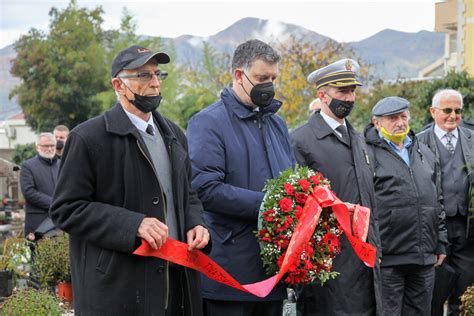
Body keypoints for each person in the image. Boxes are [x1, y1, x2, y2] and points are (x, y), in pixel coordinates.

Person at [50, 45, 210, 315]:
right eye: (143, 76)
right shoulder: (88, 138)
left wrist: (196, 222)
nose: (155, 83)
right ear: (118, 85)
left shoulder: (174, 134)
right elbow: (66, 209)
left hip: (176, 284)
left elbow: (187, 193)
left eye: (158, 74)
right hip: (119, 290)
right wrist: (132, 224)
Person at [187, 39, 296, 316]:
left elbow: (291, 182)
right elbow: (205, 188)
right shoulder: (208, 122)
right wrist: (271, 204)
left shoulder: (277, 123)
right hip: (230, 272)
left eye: (273, 78)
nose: (268, 85)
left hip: (272, 269)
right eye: (261, 78)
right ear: (239, 75)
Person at [290, 58, 382, 315]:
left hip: (366, 260)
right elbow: (299, 208)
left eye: (352, 91)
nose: (350, 97)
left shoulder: (359, 139)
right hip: (330, 264)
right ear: (322, 95)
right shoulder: (301, 141)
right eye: (342, 91)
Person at [364, 96, 448, 316]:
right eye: (392, 118)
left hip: (423, 257)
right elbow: (363, 204)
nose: (400, 122)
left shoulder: (425, 153)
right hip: (388, 257)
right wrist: (373, 246)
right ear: (376, 122)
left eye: (403, 116)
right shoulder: (366, 154)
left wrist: (440, 242)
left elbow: (436, 200)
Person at [417, 89, 474, 316]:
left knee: (465, 290)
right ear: (433, 111)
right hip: (433, 229)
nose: (453, 116)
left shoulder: (472, 139)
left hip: (467, 229)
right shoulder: (419, 142)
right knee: (434, 290)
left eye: (458, 111)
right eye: (447, 110)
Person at [20, 133, 59, 241]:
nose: (50, 148)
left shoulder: (61, 165)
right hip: (38, 223)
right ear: (37, 147)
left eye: (52, 145)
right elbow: (29, 192)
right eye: (46, 146)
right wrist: (55, 203)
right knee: (37, 256)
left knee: (61, 256)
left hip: (59, 221)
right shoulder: (28, 166)